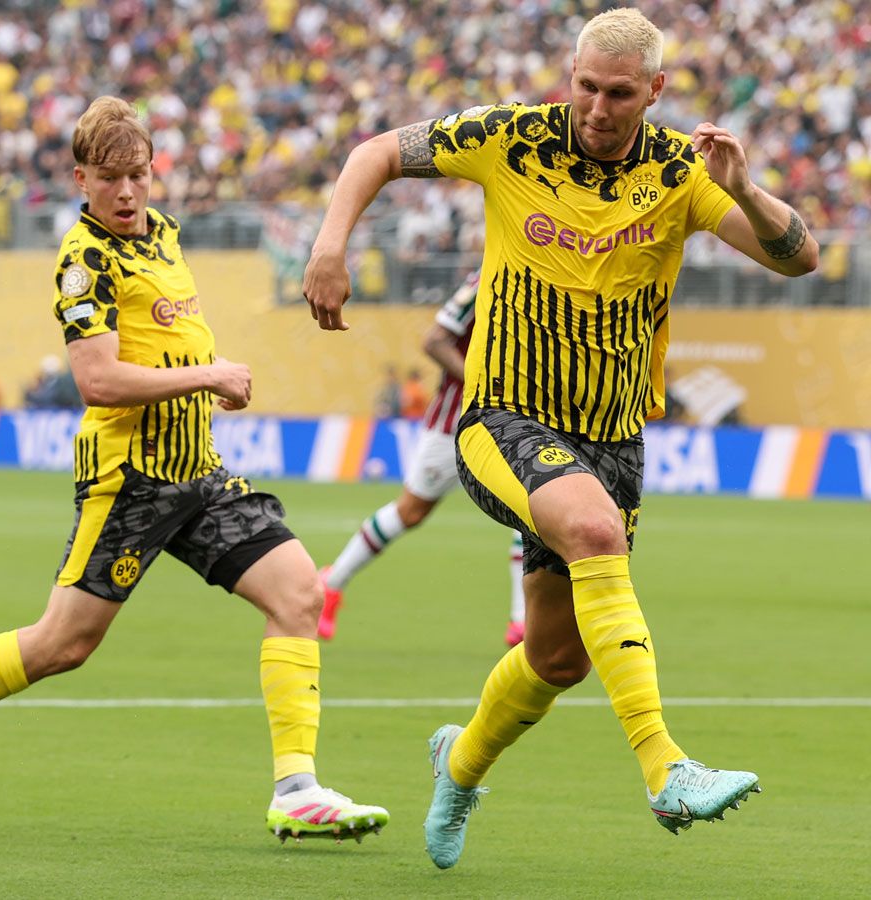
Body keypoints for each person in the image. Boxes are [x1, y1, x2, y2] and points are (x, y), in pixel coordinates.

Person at [301, 7, 816, 868]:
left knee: (556, 658)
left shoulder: (685, 175)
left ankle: (458, 765)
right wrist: (329, 245)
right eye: (586, 86)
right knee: (594, 532)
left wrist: (748, 187)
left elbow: (796, 256)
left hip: (614, 443)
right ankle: (666, 767)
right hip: (505, 417)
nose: (598, 107)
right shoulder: (511, 139)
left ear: (653, 92)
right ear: (568, 74)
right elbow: (376, 153)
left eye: (620, 93)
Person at [0, 96, 388, 844]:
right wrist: (207, 375)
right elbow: (99, 381)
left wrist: (203, 376)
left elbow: (165, 336)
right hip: (131, 479)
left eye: (138, 174)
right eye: (110, 179)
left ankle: (296, 789)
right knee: (62, 645)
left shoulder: (164, 234)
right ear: (82, 178)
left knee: (299, 592)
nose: (129, 193)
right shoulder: (84, 261)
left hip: (196, 471)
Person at [317, 270, 526, 647]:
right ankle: (330, 585)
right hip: (456, 421)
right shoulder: (487, 280)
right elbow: (434, 340)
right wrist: (481, 385)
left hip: (514, 422)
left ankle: (522, 623)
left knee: (530, 512)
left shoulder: (549, 277)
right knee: (410, 511)